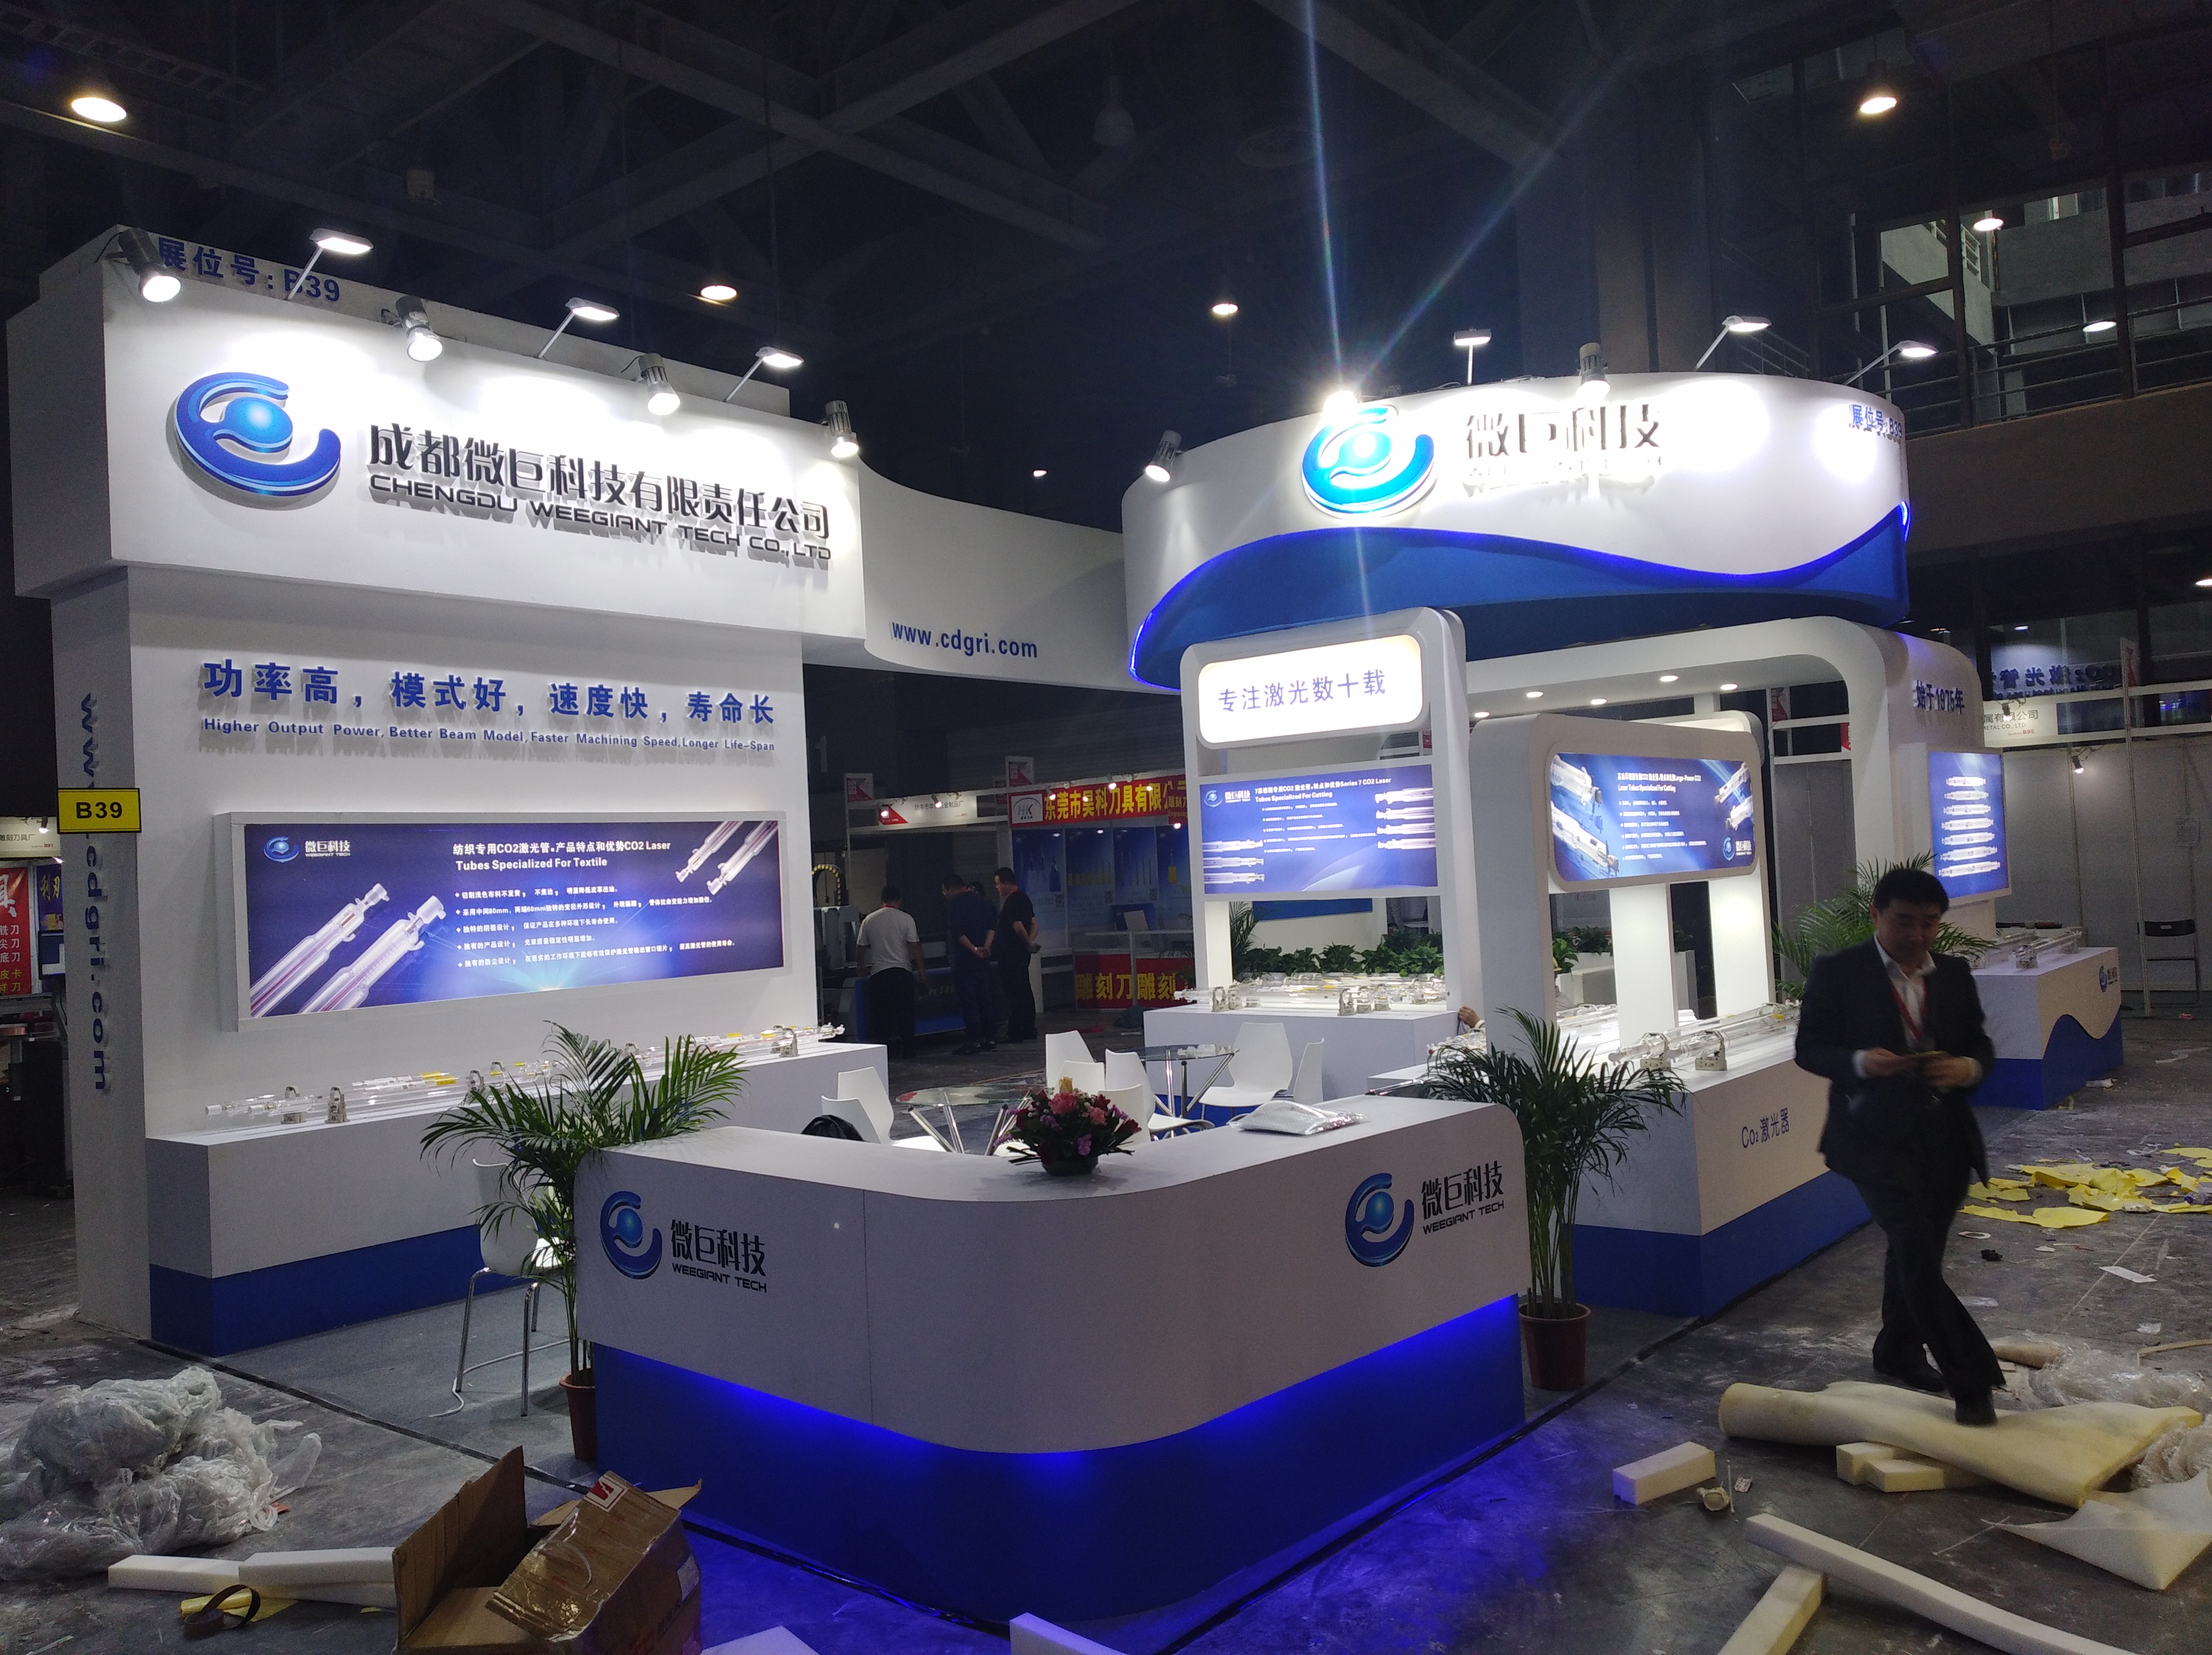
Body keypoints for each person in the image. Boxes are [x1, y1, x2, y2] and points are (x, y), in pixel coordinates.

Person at [1795, 866, 2002, 1425]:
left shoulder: (1953, 973)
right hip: (1873, 1136)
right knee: (1914, 1247)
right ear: (1877, 915)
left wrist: (1966, 1067)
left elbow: (1980, 1044)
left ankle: (1897, 1349)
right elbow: (1810, 1049)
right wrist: (1863, 1062)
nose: (1917, 935)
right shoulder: (1840, 971)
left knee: (1920, 1251)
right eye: (1904, 921)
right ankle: (1971, 1381)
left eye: (1929, 923)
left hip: (1945, 1135)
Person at [853, 886, 922, 1059]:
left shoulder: (869, 920)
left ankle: (884, 1053)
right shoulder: (906, 919)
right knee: (905, 1015)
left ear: (881, 900)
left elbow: (861, 948)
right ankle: (909, 1050)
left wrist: (861, 966)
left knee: (882, 1017)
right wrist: (922, 971)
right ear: (899, 901)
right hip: (902, 973)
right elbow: (915, 947)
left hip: (880, 975)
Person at [942, 872, 997, 1055]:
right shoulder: (983, 901)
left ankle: (974, 1041)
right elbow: (992, 927)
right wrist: (986, 948)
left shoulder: (954, 904)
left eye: (945, 891)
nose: (944, 894)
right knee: (985, 1000)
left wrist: (974, 950)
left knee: (969, 1002)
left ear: (952, 889)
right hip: (983, 961)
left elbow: (958, 933)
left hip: (964, 961)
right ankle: (989, 1039)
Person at [991, 866, 1039, 1044]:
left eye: (997, 884)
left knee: (1014, 994)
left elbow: (1018, 927)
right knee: (1025, 991)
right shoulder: (1025, 898)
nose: (996, 888)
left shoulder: (1012, 902)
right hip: (1021, 955)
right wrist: (1030, 943)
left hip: (1010, 956)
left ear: (1006, 883)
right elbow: (1034, 923)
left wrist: (1027, 942)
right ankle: (1028, 1028)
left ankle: (1016, 1031)